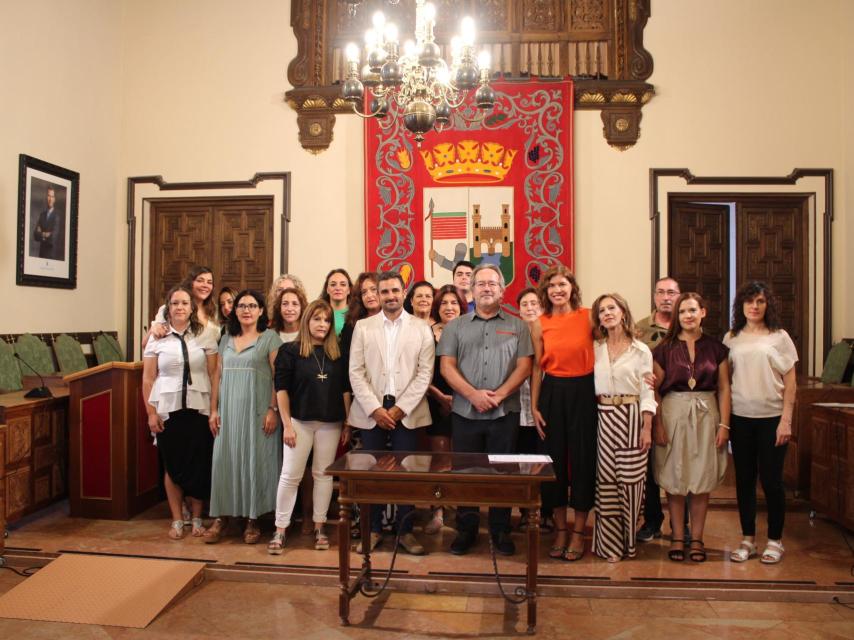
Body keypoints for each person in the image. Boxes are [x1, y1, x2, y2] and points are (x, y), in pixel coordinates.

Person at [439, 263, 533, 556]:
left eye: (492, 284)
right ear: (471, 290)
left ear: (502, 291)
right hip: (465, 414)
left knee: (502, 475)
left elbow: (525, 366)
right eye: (481, 284)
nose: (486, 288)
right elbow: (446, 367)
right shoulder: (455, 326)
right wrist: (472, 395)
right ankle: (466, 529)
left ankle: (500, 529)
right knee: (466, 473)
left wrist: (499, 396)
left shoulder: (518, 326)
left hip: (504, 413)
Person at [348, 271, 435, 555]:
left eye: (395, 290)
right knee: (372, 473)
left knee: (405, 473)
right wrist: (374, 408)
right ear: (378, 294)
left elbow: (425, 373)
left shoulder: (421, 328)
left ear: (404, 292)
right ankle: (372, 530)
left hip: (407, 412)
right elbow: (355, 372)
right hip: (371, 410)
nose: (390, 296)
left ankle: (405, 531)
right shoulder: (363, 327)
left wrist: (400, 408)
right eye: (384, 291)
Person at [652, 292, 731, 562]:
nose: (688, 315)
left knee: (701, 477)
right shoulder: (664, 348)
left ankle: (697, 538)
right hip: (673, 413)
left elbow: (724, 388)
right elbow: (654, 390)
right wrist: (658, 424)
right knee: (674, 477)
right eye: (683, 311)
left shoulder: (717, 348)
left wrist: (724, 425)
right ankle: (677, 535)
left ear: (703, 312)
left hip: (707, 414)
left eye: (693, 310)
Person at [268, 300, 351, 554]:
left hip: (330, 423)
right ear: (307, 321)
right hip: (299, 422)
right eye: (317, 319)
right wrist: (287, 425)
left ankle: (319, 527)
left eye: (326, 320)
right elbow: (281, 390)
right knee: (290, 475)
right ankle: (280, 529)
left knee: (323, 476)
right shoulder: (290, 351)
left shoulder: (337, 353)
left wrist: (347, 422)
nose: (322, 324)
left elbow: (345, 390)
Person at [724, 282, 797, 565]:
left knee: (771, 481)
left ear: (768, 305)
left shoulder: (779, 337)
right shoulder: (731, 337)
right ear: (741, 305)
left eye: (760, 301)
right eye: (749, 301)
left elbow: (791, 383)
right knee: (744, 480)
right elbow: (725, 382)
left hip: (772, 419)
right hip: (740, 418)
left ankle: (775, 541)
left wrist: (786, 421)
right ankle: (748, 539)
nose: (754, 307)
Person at [206, 290, 283, 544]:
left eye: (252, 306)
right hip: (228, 413)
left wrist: (272, 409)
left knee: (254, 463)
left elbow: (278, 377)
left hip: (258, 412)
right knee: (224, 461)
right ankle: (221, 517)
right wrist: (214, 410)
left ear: (261, 310)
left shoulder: (270, 338)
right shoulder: (226, 338)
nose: (246, 310)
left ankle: (253, 519)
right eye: (241, 305)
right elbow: (217, 375)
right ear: (234, 310)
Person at [530, 266, 596, 561]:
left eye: (563, 284)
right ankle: (559, 530)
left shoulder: (588, 316)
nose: (558, 290)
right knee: (552, 461)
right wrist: (534, 406)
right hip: (552, 391)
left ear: (572, 288)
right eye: (552, 286)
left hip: (584, 390)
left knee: (582, 460)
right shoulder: (539, 323)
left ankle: (579, 532)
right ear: (545, 291)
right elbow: (536, 367)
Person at [142, 286, 218, 539]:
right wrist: (151, 413)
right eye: (175, 303)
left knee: (198, 463)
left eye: (185, 303)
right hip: (168, 409)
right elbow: (148, 378)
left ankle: (196, 517)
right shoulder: (157, 337)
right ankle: (177, 518)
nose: (180, 307)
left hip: (198, 407)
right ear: (168, 307)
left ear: (191, 307)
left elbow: (214, 374)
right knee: (172, 464)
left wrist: (214, 409)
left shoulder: (205, 334)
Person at [590, 293, 655, 562]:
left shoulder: (641, 350)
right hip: (604, 417)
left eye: (612, 308)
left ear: (623, 312)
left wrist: (647, 427)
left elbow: (647, 391)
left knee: (630, 484)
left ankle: (629, 543)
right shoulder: (595, 349)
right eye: (602, 310)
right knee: (606, 483)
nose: (607, 313)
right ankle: (610, 546)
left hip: (632, 416)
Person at [636, 276, 682, 543]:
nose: (666, 298)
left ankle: (681, 525)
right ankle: (652, 520)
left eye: (672, 293)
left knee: (681, 466)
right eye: (661, 292)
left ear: (679, 296)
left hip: (681, 404)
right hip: (650, 404)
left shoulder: (689, 324)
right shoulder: (639, 329)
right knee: (650, 468)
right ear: (654, 296)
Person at [423, 284, 466, 535]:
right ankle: (437, 512)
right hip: (434, 401)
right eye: (444, 303)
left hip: (466, 403)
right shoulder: (427, 333)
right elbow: (419, 371)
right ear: (437, 308)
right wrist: (440, 397)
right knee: (439, 459)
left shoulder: (470, 330)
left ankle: (463, 511)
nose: (449, 307)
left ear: (461, 306)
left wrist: (459, 399)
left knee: (463, 460)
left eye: (454, 303)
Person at [515, 287, 553, 533]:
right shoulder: (514, 337)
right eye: (525, 304)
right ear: (518, 310)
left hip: (545, 411)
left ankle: (546, 512)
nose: (530, 308)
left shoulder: (551, 336)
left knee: (544, 462)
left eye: (534, 304)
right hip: (519, 412)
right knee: (522, 463)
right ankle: (525, 512)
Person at [145, 266, 219, 348]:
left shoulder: (216, 311)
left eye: (209, 282)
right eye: (200, 281)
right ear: (190, 283)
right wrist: (155, 328)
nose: (205, 285)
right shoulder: (172, 309)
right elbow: (145, 344)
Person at [340, 272, 381, 358]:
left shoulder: (392, 320)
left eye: (373, 289)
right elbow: (346, 359)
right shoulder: (351, 325)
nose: (369, 295)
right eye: (364, 292)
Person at [32, 186, 64, 260]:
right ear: (46, 198)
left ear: (54, 199)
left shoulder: (57, 215)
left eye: (52, 196)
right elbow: (35, 235)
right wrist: (46, 234)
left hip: (52, 255)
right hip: (41, 255)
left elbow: (53, 237)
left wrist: (41, 233)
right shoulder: (42, 215)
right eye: (49, 196)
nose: (50, 199)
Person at [320, 268, 353, 336]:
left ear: (349, 290)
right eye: (333, 285)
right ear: (327, 289)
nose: (338, 288)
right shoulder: (318, 312)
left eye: (343, 284)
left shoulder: (356, 313)